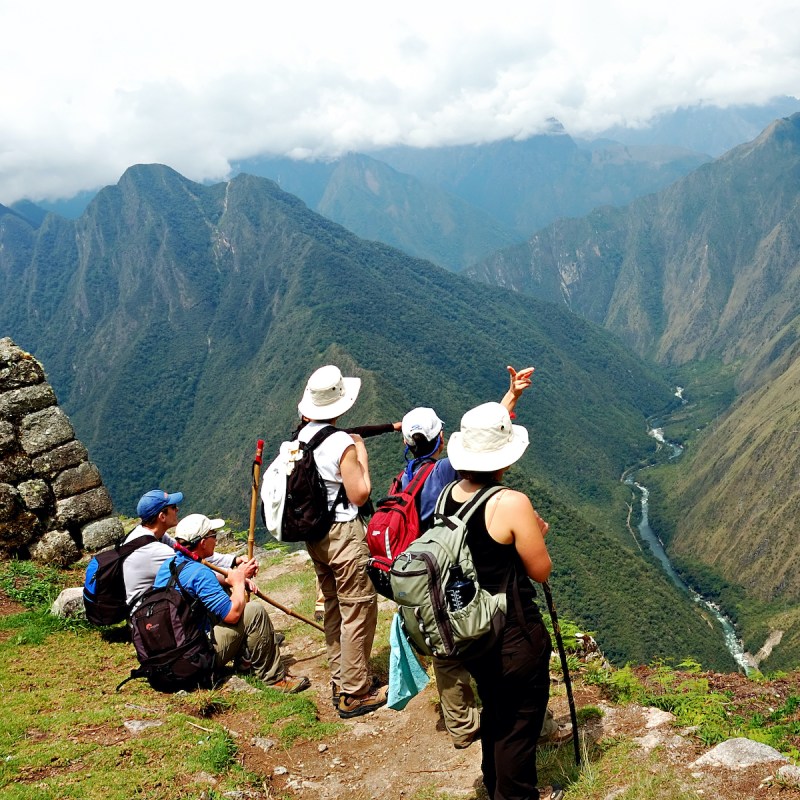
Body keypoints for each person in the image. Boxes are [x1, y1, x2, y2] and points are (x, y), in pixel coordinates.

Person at [397, 366, 534, 749]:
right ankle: (529, 724)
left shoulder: (407, 476)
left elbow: (481, 441)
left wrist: (511, 399)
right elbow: (485, 449)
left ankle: (460, 725)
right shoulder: (446, 473)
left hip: (424, 574)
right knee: (488, 649)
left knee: (446, 651)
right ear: (441, 441)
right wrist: (509, 401)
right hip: (458, 573)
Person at [446, 401, 559, 800]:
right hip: (512, 634)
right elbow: (540, 570)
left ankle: (495, 787)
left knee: (495, 713)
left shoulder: (448, 496)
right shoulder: (510, 502)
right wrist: (537, 532)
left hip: (470, 632)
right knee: (518, 725)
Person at [295, 364, 387, 718]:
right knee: (359, 608)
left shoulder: (300, 438)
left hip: (315, 536)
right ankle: (355, 692)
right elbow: (361, 493)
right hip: (343, 534)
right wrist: (361, 452)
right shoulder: (341, 443)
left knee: (334, 605)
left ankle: (342, 678)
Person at [152, 513, 309, 693]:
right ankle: (274, 679)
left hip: (173, 654)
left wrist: (229, 580)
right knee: (254, 612)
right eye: (213, 535)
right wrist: (239, 583)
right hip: (194, 659)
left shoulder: (169, 564)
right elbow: (233, 616)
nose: (216, 540)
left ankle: (245, 660)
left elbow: (201, 581)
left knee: (225, 593)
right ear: (202, 543)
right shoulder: (199, 573)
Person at [122, 489, 244, 610]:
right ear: (162, 516)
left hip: (158, 602)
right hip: (150, 615)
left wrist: (234, 560)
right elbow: (195, 569)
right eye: (173, 507)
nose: (177, 510)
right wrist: (234, 577)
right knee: (214, 590)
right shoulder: (153, 550)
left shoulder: (149, 534)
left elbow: (190, 552)